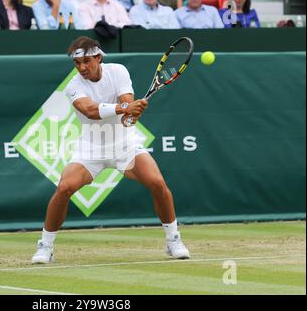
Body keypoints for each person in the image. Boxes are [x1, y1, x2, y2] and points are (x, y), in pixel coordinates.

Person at [31, 36, 190, 264]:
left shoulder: (118, 71)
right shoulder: (74, 86)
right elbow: (90, 111)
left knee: (157, 183)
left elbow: (127, 111)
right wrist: (125, 108)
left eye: (87, 61)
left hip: (124, 145)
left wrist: (131, 114)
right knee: (64, 187)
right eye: (77, 63)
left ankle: (173, 239)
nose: (82, 68)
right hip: (90, 149)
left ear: (98, 57)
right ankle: (45, 246)